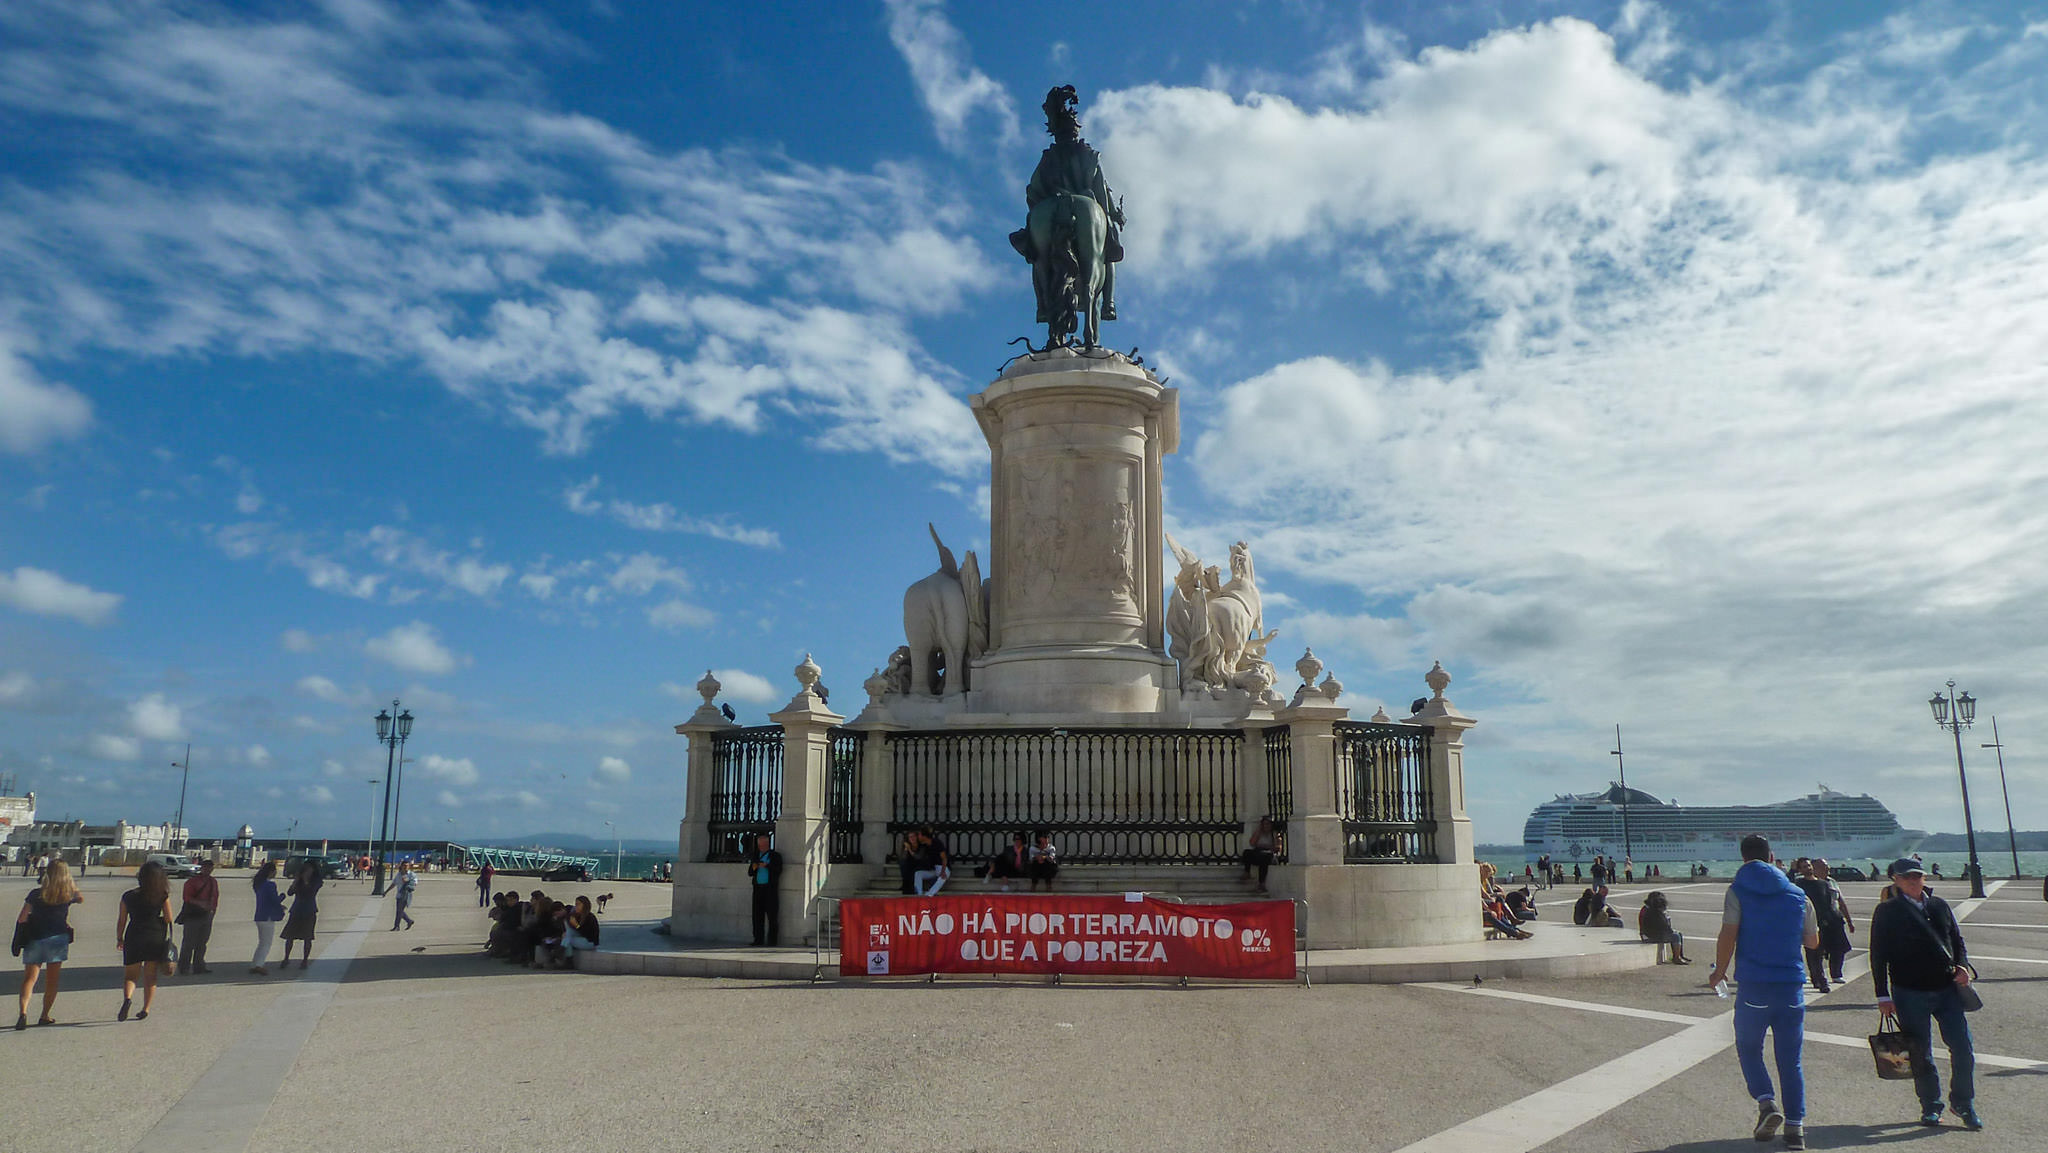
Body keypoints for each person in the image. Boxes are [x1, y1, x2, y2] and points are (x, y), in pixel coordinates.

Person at [1707, 834, 1820, 1150]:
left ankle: (1767, 1103)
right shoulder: (1799, 894)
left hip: (1754, 986)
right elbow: (1812, 942)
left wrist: (1719, 972)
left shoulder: (1738, 890)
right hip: (1791, 988)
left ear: (1743, 858)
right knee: (1790, 1059)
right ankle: (1796, 1129)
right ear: (1772, 857)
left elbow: (1728, 934)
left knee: (1748, 1046)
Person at [1871, 857, 1981, 1130]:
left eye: (1917, 875)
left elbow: (1956, 942)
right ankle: (1931, 1105)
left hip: (1946, 989)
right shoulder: (1887, 911)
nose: (1913, 880)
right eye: (1906, 876)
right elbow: (1878, 955)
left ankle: (1963, 1102)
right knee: (1921, 1052)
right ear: (1895, 880)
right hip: (1909, 992)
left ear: (1924, 878)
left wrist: (1963, 967)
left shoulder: (1939, 905)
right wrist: (1882, 995)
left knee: (1963, 1049)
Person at [14, 859, 82, 1029]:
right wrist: (71, 885)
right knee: (52, 981)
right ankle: (44, 1015)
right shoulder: (68, 895)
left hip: (35, 938)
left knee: (29, 979)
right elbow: (81, 898)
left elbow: (22, 918)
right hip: (57, 939)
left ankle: (23, 1012)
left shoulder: (35, 893)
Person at [117, 860, 175, 1021]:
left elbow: (122, 920)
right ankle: (145, 1009)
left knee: (130, 975)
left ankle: (128, 998)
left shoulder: (128, 896)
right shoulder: (162, 895)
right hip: (154, 936)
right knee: (150, 976)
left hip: (134, 934)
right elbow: (169, 918)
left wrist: (119, 938)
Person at [176, 859, 220, 974]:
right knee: (188, 943)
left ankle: (199, 966)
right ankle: (184, 967)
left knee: (202, 943)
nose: (208, 870)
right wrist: (200, 903)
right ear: (201, 868)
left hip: (207, 915)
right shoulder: (192, 882)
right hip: (193, 915)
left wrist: (213, 911)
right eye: (206, 867)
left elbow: (215, 897)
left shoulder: (213, 881)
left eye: (210, 867)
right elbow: (186, 897)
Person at [280, 860, 322, 970]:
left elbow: (311, 892)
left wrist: (306, 880)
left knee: (307, 937)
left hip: (309, 910)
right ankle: (286, 958)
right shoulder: (298, 880)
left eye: (309, 869)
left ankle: (305, 960)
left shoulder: (317, 881)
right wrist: (297, 880)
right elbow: (290, 893)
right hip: (296, 909)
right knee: (290, 936)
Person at [746, 833, 782, 947]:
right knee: (757, 915)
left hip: (770, 889)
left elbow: (778, 870)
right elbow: (750, 873)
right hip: (758, 889)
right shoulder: (756, 856)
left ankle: (772, 941)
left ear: (767, 844)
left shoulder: (775, 856)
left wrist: (766, 865)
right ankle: (758, 939)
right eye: (759, 845)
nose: (761, 847)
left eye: (763, 844)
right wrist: (754, 867)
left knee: (772, 916)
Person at [249, 860, 284, 975]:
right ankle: (259, 964)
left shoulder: (258, 884)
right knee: (266, 943)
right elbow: (274, 900)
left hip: (259, 915)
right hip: (268, 916)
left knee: (262, 942)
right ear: (271, 872)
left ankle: (255, 964)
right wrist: (282, 897)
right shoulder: (270, 885)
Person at [1637, 890, 1690, 964]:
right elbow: (1664, 927)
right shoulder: (1653, 913)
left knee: (1678, 934)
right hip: (1649, 936)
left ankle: (1679, 955)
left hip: (1651, 934)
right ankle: (1676, 958)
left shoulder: (1649, 909)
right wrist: (1667, 919)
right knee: (1675, 936)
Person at [1240, 816, 1277, 893]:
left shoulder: (1274, 834)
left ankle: (1261, 883)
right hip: (1259, 853)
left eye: (1268, 824)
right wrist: (1259, 831)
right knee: (1247, 853)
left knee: (1264, 860)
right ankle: (1247, 872)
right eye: (1264, 824)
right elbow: (1252, 843)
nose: (1266, 826)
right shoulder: (1259, 833)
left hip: (1268, 855)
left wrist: (1264, 846)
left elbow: (1277, 847)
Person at [561, 895, 601, 967]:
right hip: (581, 939)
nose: (576, 906)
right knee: (568, 933)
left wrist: (576, 925)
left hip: (589, 942)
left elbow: (586, 933)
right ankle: (564, 956)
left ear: (585, 905)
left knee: (568, 940)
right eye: (576, 904)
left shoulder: (590, 917)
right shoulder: (577, 915)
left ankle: (567, 960)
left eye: (578, 904)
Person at [913, 826, 951, 897]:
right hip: (934, 869)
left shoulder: (937, 843)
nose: (918, 837)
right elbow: (918, 855)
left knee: (943, 877)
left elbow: (944, 858)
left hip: (943, 867)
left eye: (919, 835)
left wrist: (942, 872)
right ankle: (919, 894)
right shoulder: (924, 845)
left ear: (924, 836)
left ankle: (929, 894)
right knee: (918, 873)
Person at [392, 861, 417, 931]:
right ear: (402, 866)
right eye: (404, 865)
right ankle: (409, 921)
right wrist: (386, 891)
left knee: (399, 910)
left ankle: (397, 926)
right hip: (399, 894)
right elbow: (394, 883)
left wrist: (406, 880)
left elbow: (414, 884)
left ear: (409, 866)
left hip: (406, 895)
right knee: (399, 911)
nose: (405, 867)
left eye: (407, 865)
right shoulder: (398, 874)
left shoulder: (412, 875)